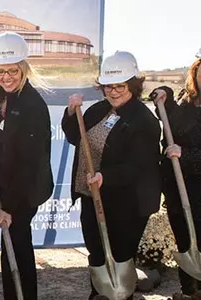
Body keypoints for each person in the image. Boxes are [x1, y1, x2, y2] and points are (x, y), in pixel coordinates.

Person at [61, 51, 161, 300]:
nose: (113, 92)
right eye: (108, 86)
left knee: (118, 255)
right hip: (93, 194)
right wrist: (72, 113)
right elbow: (76, 136)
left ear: (134, 85)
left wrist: (106, 176)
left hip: (128, 201)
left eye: (120, 86)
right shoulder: (99, 109)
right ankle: (99, 294)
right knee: (96, 252)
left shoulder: (143, 119)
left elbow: (139, 166)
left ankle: (121, 294)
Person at [0, 31, 54, 300]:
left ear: (24, 68)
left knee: (17, 248)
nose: (6, 77)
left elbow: (28, 163)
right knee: (11, 246)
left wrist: (9, 208)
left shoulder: (31, 105)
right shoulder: (7, 98)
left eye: (12, 71)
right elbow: (0, 135)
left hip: (23, 192)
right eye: (0, 72)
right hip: (10, 187)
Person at [152, 53, 201, 296]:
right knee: (184, 239)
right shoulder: (187, 100)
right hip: (177, 184)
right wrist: (164, 93)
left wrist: (187, 153)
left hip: (199, 185)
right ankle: (189, 290)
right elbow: (170, 118)